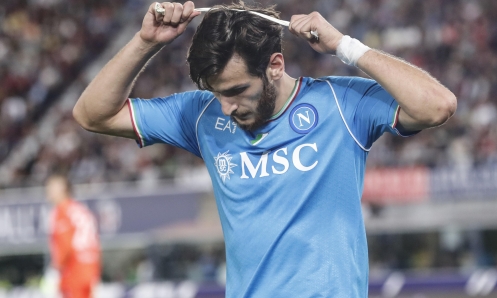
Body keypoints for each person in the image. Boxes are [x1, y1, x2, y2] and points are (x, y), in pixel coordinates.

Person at [72, 1, 457, 297]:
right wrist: (145, 43)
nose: (226, 106)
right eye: (216, 93)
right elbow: (92, 115)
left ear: (275, 64)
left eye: (237, 91)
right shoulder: (201, 114)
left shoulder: (341, 103)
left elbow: (436, 105)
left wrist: (345, 46)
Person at [46, 174, 100, 298]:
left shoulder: (62, 211)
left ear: (63, 189)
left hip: (74, 270)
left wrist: (55, 269)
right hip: (90, 268)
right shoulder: (80, 209)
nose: (48, 190)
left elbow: (65, 245)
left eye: (51, 187)